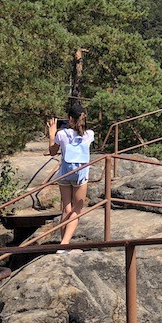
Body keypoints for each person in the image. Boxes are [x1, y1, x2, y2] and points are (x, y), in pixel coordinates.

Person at [46, 103, 94, 252]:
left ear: (69, 118)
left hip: (65, 174)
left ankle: (63, 245)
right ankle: (64, 244)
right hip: (80, 175)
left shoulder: (61, 134)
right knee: (77, 209)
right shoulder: (89, 134)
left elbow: (53, 151)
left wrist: (52, 133)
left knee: (66, 209)